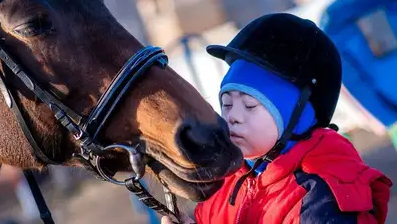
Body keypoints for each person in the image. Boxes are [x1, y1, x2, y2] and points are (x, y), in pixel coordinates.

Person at [162, 13, 393, 224]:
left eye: (250, 105)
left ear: (298, 115)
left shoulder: (323, 199)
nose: (233, 117)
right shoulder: (226, 182)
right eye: (227, 104)